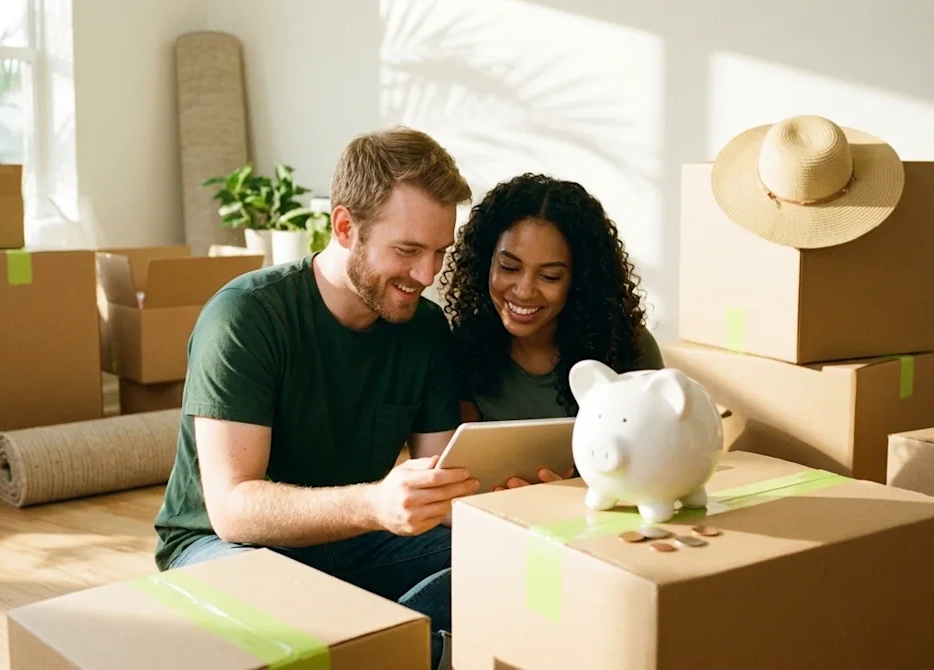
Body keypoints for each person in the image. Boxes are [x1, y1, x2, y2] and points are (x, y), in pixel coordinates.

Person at [153, 127, 478, 670]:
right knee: (308, 624)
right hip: (223, 548)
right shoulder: (245, 317)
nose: (427, 275)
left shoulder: (423, 329)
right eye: (407, 250)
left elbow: (442, 487)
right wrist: (374, 503)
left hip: (357, 541)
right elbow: (233, 510)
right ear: (346, 226)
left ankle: (396, 642)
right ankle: (405, 645)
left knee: (508, 562)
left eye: (439, 252)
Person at [438, 172, 665, 489]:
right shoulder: (464, 348)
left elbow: (659, 463)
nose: (524, 291)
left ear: (578, 282)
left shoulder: (628, 347)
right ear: (484, 263)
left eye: (550, 276)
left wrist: (572, 488)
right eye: (509, 268)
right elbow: (463, 470)